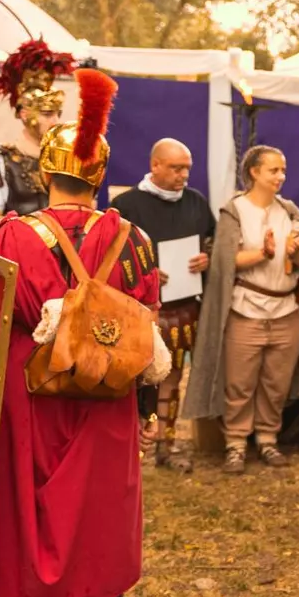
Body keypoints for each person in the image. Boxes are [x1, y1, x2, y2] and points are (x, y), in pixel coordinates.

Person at [0, 68, 167, 597]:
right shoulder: (135, 238)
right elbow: (146, 324)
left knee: (27, 520)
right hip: (108, 399)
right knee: (102, 519)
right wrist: (149, 411)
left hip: (33, 399)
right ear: (100, 177)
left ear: (45, 174)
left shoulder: (14, 235)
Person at [184, 146, 299, 474]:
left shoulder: (288, 211)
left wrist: (296, 250)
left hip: (286, 310)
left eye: (283, 170)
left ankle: (267, 439)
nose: (281, 176)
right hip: (246, 309)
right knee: (240, 382)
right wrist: (263, 253)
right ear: (254, 172)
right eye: (274, 170)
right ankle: (235, 442)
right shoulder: (235, 211)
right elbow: (225, 259)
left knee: (276, 381)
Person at [111, 138, 216, 472]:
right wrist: (146, 272)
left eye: (187, 168)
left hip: (183, 309)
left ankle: (167, 446)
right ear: (155, 165)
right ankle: (127, 447)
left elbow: (212, 240)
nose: (183, 175)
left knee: (172, 380)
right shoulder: (126, 206)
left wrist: (207, 257)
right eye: (175, 168)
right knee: (133, 382)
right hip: (139, 313)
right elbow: (110, 257)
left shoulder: (196, 202)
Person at [0, 40, 73, 240]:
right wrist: (41, 226)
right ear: (25, 114)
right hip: (17, 252)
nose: (55, 121)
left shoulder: (62, 160)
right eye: (47, 114)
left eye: (57, 114)